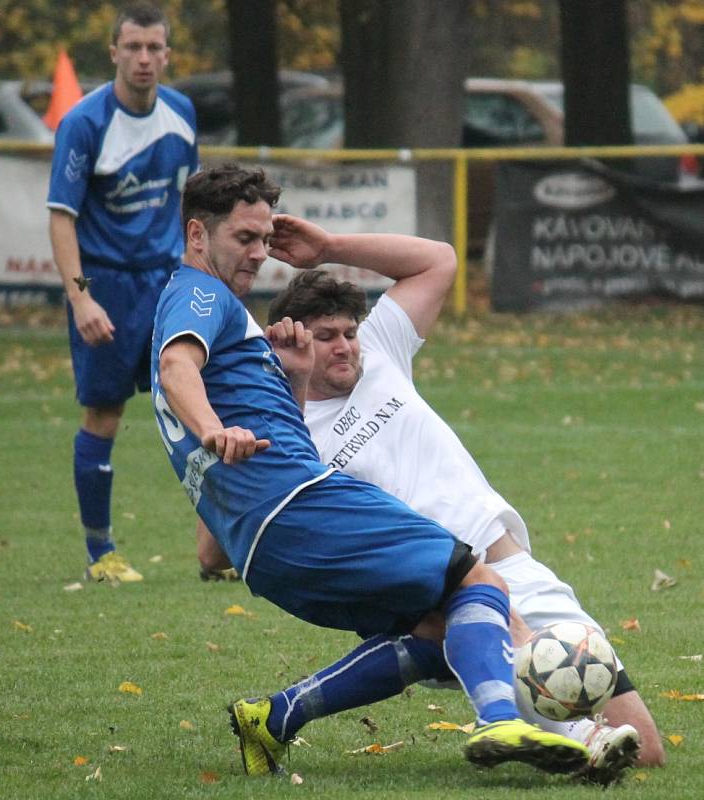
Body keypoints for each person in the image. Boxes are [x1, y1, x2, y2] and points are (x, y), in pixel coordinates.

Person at [151, 163, 591, 780]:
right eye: (243, 239)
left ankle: (273, 717)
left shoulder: (220, 317)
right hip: (302, 506)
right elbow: (178, 370)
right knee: (479, 580)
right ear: (197, 235)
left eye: (263, 238)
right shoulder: (201, 296)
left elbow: (211, 550)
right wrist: (211, 428)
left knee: (441, 633)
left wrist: (294, 383)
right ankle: (499, 719)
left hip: (264, 552)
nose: (258, 253)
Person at [253, 215, 665, 783]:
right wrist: (291, 385)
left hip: (516, 567)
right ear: (293, 340)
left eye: (349, 331)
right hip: (434, 590)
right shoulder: (288, 425)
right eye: (326, 338)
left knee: (646, 751)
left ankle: (291, 708)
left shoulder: (382, 350)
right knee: (582, 736)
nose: (346, 346)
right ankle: (555, 728)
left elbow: (439, 260)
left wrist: (328, 247)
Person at [47, 2, 198, 582]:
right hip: (105, 284)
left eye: (153, 48)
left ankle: (222, 550)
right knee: (105, 413)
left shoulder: (181, 113)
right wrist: (81, 297)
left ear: (166, 53)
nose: (143, 58)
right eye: (132, 47)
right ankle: (99, 553)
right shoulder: (84, 124)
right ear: (113, 51)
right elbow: (63, 218)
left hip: (167, 283)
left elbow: (190, 202)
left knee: (207, 401)